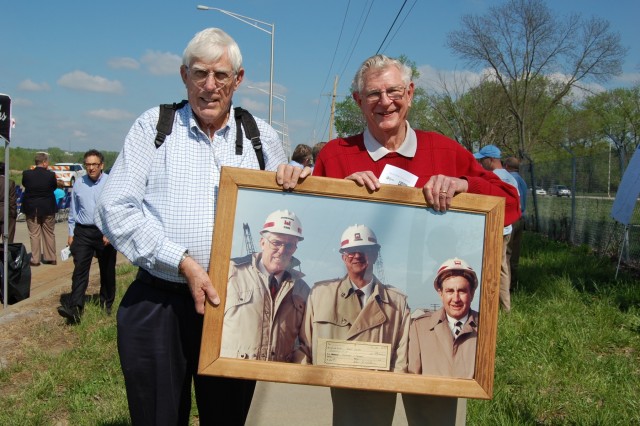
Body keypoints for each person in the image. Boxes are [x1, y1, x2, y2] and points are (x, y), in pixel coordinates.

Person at [276, 53, 519, 425]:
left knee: (434, 419)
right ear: (358, 101)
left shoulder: (444, 150)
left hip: (431, 321)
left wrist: (463, 184)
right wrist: (328, 192)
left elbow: (509, 201)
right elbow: (316, 232)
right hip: (363, 331)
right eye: (373, 94)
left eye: (394, 91)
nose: (385, 101)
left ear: (410, 93)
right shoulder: (337, 156)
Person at [94, 28, 301, 426]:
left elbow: (283, 212)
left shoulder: (262, 138)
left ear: (238, 80)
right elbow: (114, 206)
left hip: (235, 306)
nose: (209, 86)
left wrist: (297, 184)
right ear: (183, 75)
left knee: (227, 417)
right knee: (157, 416)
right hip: (159, 302)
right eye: (199, 73)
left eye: (221, 75)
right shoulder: (154, 127)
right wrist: (183, 262)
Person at [297, 224, 410, 426]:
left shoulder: (397, 302)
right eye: (350, 251)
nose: (357, 256)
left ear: (375, 254)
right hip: (329, 394)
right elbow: (304, 346)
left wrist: (390, 383)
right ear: (343, 256)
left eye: (365, 250)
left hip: (376, 398)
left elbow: (402, 358)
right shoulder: (321, 294)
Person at [221, 209, 309, 362]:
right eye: (276, 242)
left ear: (295, 248)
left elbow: (306, 343)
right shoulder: (229, 272)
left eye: (290, 245)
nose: (282, 250)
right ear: (262, 242)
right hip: (230, 375)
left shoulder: (303, 290)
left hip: (274, 380)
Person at [403, 258, 479, 426]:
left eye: (462, 291)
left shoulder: (486, 329)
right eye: (450, 291)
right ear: (440, 293)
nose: (456, 298)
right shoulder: (419, 327)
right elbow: (412, 381)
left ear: (472, 293)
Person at [57, 150, 116, 324]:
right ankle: (75, 308)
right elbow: (74, 210)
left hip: (104, 232)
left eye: (94, 165)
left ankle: (106, 303)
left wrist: (110, 232)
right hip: (83, 232)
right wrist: (70, 232)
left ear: (101, 166)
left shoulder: (110, 183)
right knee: (80, 269)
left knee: (107, 270)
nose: (91, 168)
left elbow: (114, 210)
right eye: (88, 165)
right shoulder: (79, 183)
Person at [474, 145, 520, 313]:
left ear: (491, 160)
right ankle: (500, 305)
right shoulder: (511, 178)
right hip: (507, 228)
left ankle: (498, 307)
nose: (480, 163)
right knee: (502, 267)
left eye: (482, 159)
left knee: (494, 268)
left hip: (494, 229)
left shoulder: (491, 178)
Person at [21, 152, 58, 266]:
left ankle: (35, 259)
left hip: (32, 208)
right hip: (47, 207)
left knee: (34, 234)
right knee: (49, 233)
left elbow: (25, 184)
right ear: (44, 162)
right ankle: (51, 257)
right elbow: (54, 187)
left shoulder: (27, 174)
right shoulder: (51, 175)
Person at [504, 156, 528, 288]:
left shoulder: (510, 179)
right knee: (515, 254)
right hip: (521, 218)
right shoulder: (522, 181)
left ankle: (506, 286)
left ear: (506, 166)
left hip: (512, 219)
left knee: (506, 253)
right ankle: (514, 284)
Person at [0, 162, 18, 243]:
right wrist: (14, 213)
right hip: (6, 211)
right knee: (8, 238)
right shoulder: (9, 182)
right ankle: (6, 254)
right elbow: (12, 200)